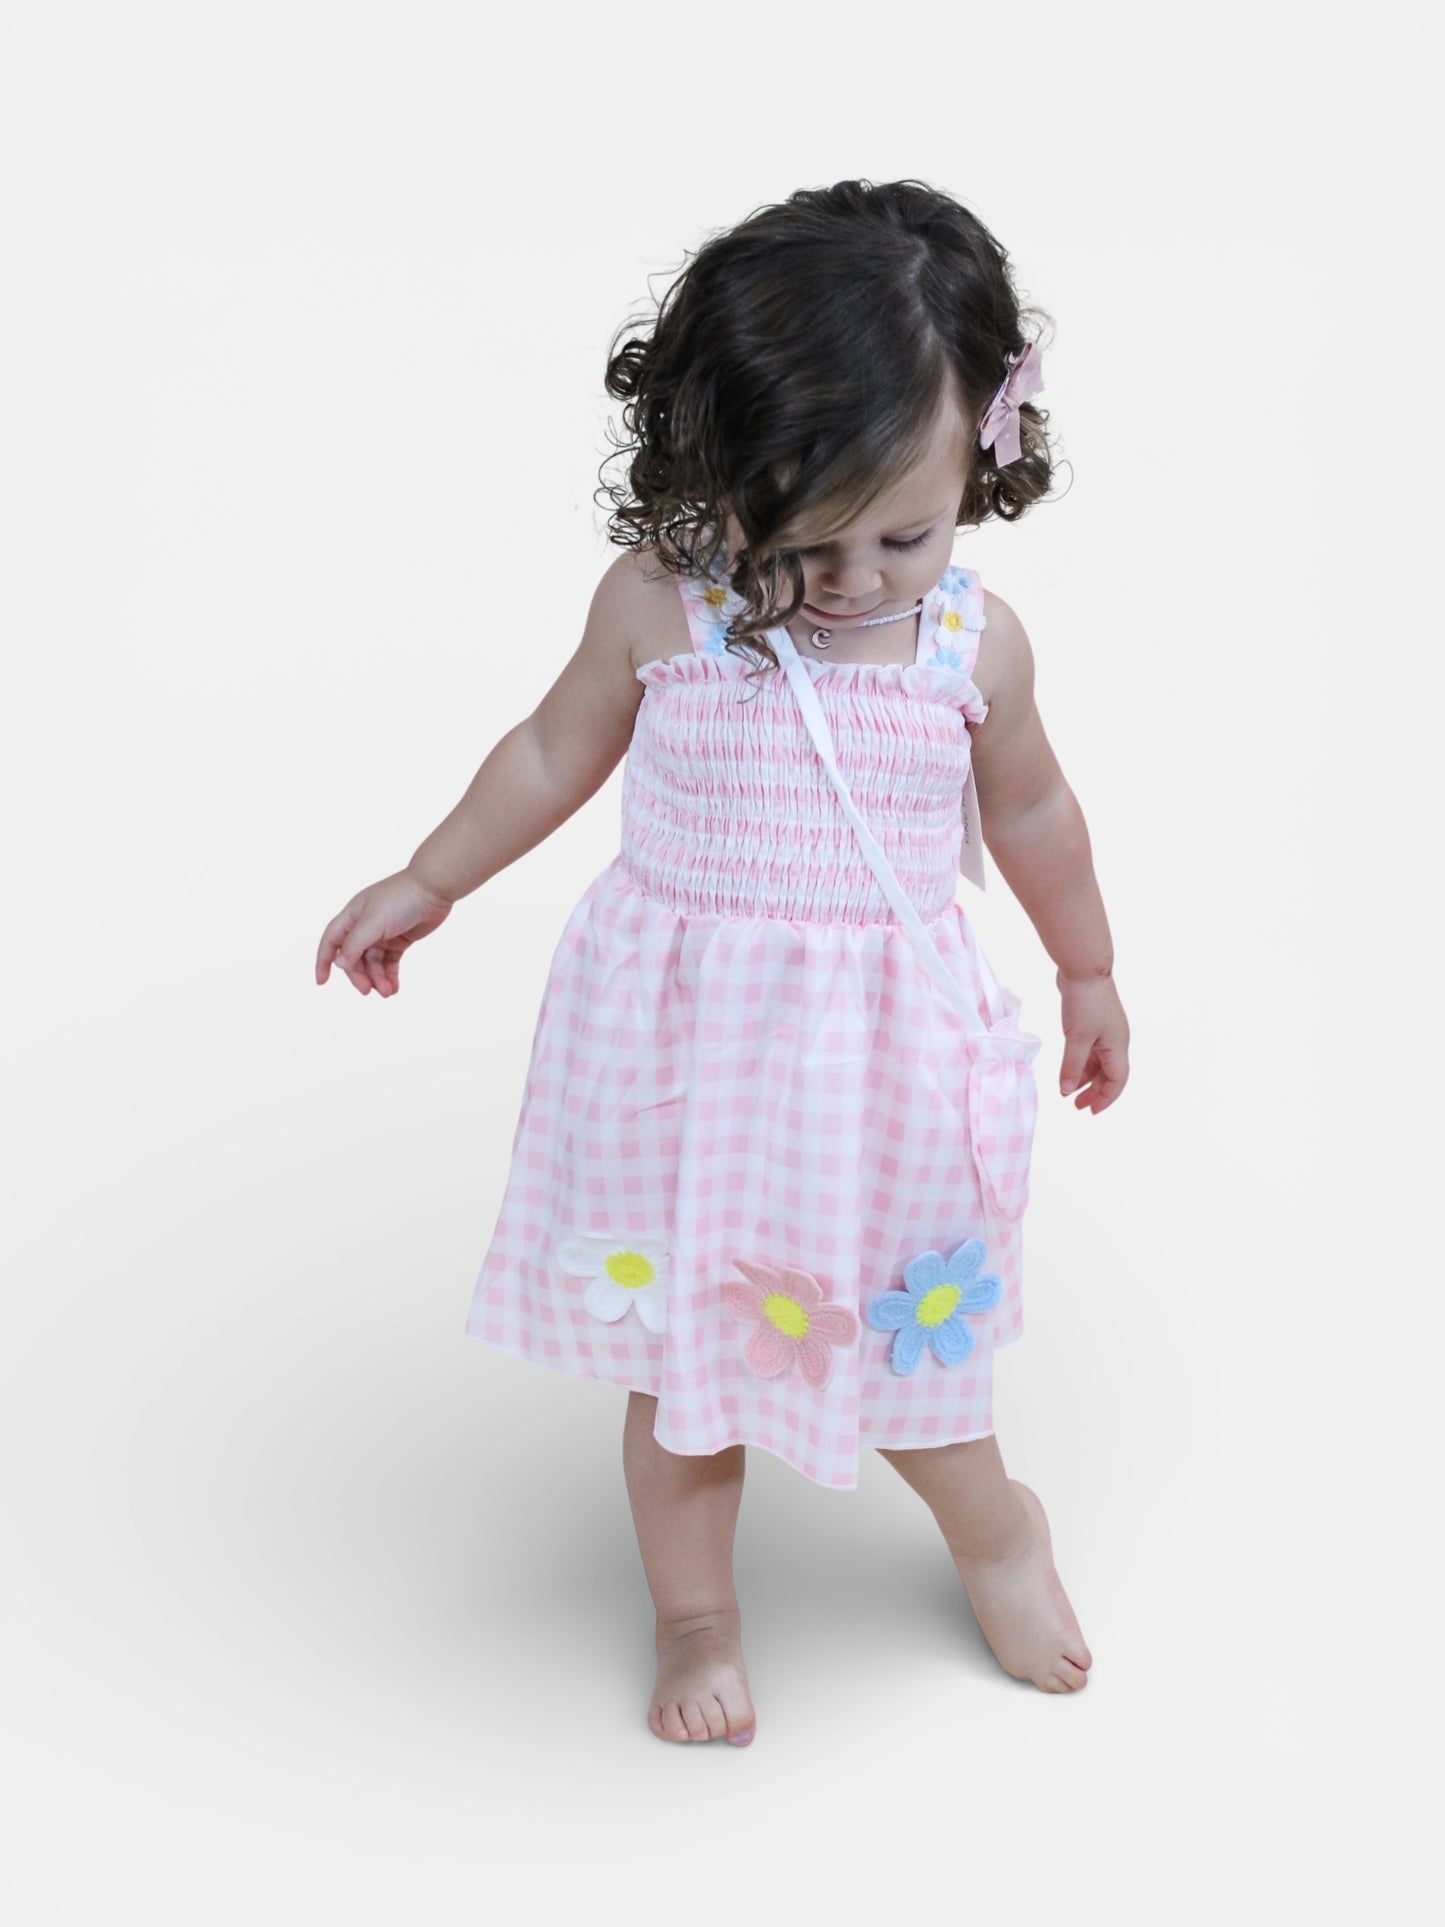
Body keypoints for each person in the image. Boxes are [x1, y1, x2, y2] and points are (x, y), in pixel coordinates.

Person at [315, 178, 1129, 1749]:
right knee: (683, 1367)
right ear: (705, 471)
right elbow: (553, 749)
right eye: (798, 535)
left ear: (981, 465)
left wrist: (1085, 968)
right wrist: (432, 877)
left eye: (902, 530)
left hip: (880, 1063)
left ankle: (994, 1530)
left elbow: (1028, 805)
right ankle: (695, 1611)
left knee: (913, 1357)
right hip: (682, 1056)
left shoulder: (969, 644)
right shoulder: (660, 609)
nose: (850, 582)